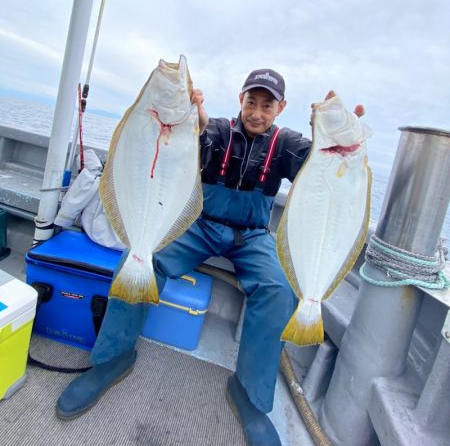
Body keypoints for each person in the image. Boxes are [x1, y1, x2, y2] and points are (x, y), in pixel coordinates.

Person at [56, 68, 364, 446]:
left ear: (280, 108)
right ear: (241, 100)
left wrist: (336, 139)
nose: (257, 112)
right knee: (139, 261)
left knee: (279, 290)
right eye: (252, 102)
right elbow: (194, 136)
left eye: (267, 105)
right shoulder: (218, 129)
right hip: (198, 225)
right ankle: (112, 359)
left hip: (252, 235)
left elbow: (321, 165)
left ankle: (250, 395)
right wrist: (196, 122)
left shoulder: (287, 145)